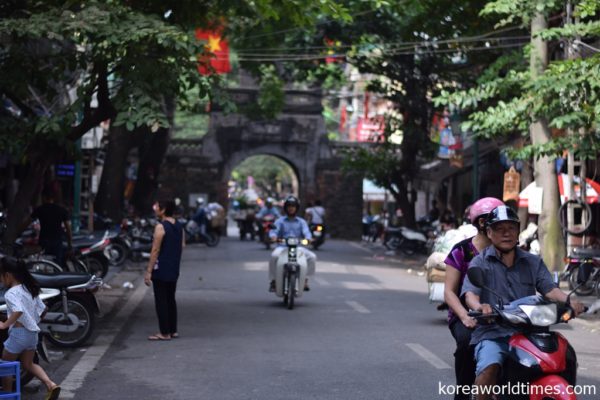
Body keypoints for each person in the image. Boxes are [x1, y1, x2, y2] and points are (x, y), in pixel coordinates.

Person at [461, 205, 585, 400]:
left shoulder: (532, 262)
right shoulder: (480, 263)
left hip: (529, 332)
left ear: (518, 232)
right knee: (490, 366)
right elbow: (470, 294)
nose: (506, 234)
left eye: (511, 228)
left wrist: (570, 300)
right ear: (490, 233)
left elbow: (550, 290)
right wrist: (479, 307)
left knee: (564, 355)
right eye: (500, 229)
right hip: (494, 332)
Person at [443, 197, 504, 400]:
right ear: (481, 222)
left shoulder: (508, 251)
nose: (505, 228)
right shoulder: (460, 251)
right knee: (467, 342)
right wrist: (464, 316)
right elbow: (450, 292)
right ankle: (463, 393)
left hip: (500, 312)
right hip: (466, 314)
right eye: (497, 221)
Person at [0, 257, 60, 399]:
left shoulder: (11, 293)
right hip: (32, 334)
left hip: (18, 334)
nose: (1, 281)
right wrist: (32, 321)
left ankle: (8, 396)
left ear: (8, 275)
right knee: (28, 364)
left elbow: (18, 310)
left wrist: (4, 324)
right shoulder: (28, 289)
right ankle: (51, 385)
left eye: (0, 277)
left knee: (6, 365)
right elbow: (43, 309)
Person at [144, 199, 185, 341]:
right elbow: (182, 245)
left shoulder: (160, 227)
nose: (155, 208)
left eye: (157, 206)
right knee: (170, 299)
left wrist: (149, 270)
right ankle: (173, 330)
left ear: (163, 209)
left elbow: (155, 250)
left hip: (161, 268)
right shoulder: (179, 226)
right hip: (174, 267)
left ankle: (164, 333)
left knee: (161, 300)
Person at [268, 196, 316, 292]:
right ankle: (273, 281)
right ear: (286, 208)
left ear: (296, 208)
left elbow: (307, 232)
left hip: (298, 247)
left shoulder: (302, 222)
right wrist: (273, 237)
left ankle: (305, 279)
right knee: (274, 256)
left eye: (293, 206)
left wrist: (309, 239)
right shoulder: (280, 221)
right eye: (289, 206)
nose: (291, 208)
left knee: (312, 257)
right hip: (282, 247)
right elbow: (274, 231)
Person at [30, 189, 72, 268]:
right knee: (57, 266)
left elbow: (26, 223)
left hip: (44, 241)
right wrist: (70, 245)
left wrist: (17, 233)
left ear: (44, 197)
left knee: (43, 264)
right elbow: (68, 230)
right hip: (57, 242)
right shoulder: (61, 210)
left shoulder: (40, 209)